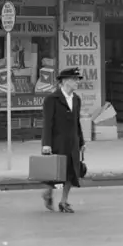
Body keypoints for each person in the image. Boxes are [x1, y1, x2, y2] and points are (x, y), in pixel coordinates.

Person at [41, 67, 86, 214]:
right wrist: (46, 144)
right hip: (57, 142)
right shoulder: (51, 99)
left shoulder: (76, 99)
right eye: (75, 80)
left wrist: (82, 142)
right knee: (57, 173)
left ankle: (64, 201)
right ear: (66, 81)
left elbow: (76, 122)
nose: (77, 83)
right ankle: (48, 192)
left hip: (72, 141)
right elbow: (48, 123)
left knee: (72, 172)